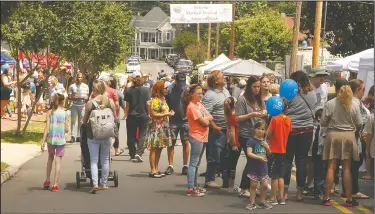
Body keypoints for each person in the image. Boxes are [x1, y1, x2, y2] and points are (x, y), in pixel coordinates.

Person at [321, 78, 362, 207]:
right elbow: (359, 123)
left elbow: (323, 122)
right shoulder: (354, 104)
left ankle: (326, 197)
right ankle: (349, 198)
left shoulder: (330, 103)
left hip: (333, 135)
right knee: (347, 169)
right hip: (348, 135)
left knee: (331, 167)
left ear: (336, 88)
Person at [283, 70, 317, 201]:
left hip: (292, 129)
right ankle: (299, 193)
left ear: (296, 82)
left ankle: (285, 191)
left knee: (287, 160)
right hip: (307, 129)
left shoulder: (289, 94)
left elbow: (284, 109)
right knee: (302, 161)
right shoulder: (312, 93)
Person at [235, 76, 267, 197]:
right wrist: (251, 115)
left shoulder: (260, 99)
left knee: (256, 160)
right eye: (254, 86)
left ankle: (251, 186)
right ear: (249, 87)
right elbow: (237, 117)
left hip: (258, 134)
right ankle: (244, 188)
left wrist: (263, 113)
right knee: (251, 160)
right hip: (246, 134)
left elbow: (264, 111)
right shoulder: (243, 99)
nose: (257, 89)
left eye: (259, 86)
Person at [82, 80, 116, 194]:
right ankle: (104, 183)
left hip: (93, 135)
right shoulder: (110, 102)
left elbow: (84, 120)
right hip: (106, 134)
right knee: (105, 159)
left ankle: (95, 183)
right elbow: (115, 118)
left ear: (94, 90)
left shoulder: (90, 104)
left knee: (94, 161)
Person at [202, 70, 231, 189]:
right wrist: (214, 126)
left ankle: (226, 180)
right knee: (214, 155)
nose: (224, 78)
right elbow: (206, 113)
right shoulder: (210, 95)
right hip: (217, 130)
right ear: (216, 81)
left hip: (228, 129)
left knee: (226, 155)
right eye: (221, 77)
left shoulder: (226, 91)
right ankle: (209, 179)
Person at [184, 84, 213, 196]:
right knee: (193, 163)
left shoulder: (199, 104)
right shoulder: (191, 106)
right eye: (198, 93)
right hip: (196, 136)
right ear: (192, 94)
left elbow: (210, 116)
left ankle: (195, 185)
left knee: (196, 163)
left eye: (202, 93)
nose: (201, 95)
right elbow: (205, 122)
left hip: (202, 136)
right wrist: (206, 119)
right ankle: (191, 188)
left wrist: (206, 118)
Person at [304, 68, 330, 195]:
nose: (322, 79)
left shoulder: (324, 87)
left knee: (318, 156)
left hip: (322, 125)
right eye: (320, 76)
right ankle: (308, 183)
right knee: (309, 156)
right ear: (313, 77)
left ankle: (314, 183)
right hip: (310, 124)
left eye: (324, 76)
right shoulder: (307, 88)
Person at [343, 79, 370, 199]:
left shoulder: (353, 101)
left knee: (352, 164)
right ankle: (352, 190)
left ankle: (349, 189)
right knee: (353, 164)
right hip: (356, 136)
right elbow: (361, 119)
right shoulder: (355, 102)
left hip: (355, 135)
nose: (364, 92)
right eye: (363, 89)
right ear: (358, 90)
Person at [145, 80, 174, 178]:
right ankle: (153, 170)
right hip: (156, 127)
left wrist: (168, 113)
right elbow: (153, 114)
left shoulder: (163, 99)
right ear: (160, 89)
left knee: (159, 148)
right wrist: (167, 113)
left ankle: (156, 169)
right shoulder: (155, 100)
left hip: (163, 127)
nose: (167, 90)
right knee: (154, 148)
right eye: (165, 88)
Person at [41, 91, 69, 192]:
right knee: (58, 162)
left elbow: (46, 128)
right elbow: (67, 129)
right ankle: (55, 184)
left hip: (51, 139)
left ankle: (47, 180)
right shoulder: (65, 113)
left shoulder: (50, 113)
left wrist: (43, 141)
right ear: (62, 102)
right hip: (61, 140)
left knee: (50, 159)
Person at [266, 97, 291, 205]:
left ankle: (273, 197)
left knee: (274, 176)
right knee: (281, 175)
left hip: (274, 150)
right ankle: (281, 197)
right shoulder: (288, 120)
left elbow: (269, 134)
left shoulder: (274, 119)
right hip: (283, 149)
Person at [165, 72, 190, 175]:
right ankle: (170, 165)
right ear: (175, 80)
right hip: (173, 120)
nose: (181, 84)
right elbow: (166, 103)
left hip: (185, 120)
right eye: (179, 82)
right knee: (171, 143)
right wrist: (168, 112)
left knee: (185, 142)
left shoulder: (187, 88)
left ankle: (185, 166)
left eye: (183, 82)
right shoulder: (170, 89)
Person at [245, 120, 272, 210]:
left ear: (265, 131)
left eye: (263, 129)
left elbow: (269, 154)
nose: (260, 131)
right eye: (258, 128)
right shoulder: (251, 141)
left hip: (263, 168)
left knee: (264, 186)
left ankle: (262, 201)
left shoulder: (266, 141)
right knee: (253, 186)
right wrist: (259, 158)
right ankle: (252, 202)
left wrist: (267, 148)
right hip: (254, 168)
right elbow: (249, 153)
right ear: (254, 129)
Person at [124, 71, 150, 162]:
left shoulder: (128, 90)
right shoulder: (146, 90)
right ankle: (139, 153)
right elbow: (147, 103)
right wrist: (149, 113)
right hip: (143, 115)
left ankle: (132, 153)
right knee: (142, 135)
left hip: (132, 115)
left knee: (131, 135)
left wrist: (126, 115)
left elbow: (127, 105)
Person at [224, 97, 241, 193]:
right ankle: (231, 185)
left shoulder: (229, 115)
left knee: (231, 163)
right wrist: (234, 144)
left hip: (231, 143)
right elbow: (232, 132)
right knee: (233, 164)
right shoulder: (234, 116)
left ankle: (230, 184)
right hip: (236, 142)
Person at [68, 72, 89, 143]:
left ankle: (79, 136)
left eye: (81, 77)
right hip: (74, 105)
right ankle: (72, 136)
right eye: (78, 77)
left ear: (82, 78)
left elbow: (87, 96)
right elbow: (69, 96)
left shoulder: (86, 86)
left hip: (82, 105)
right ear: (76, 77)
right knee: (73, 121)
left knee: (81, 121)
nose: (79, 79)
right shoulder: (72, 86)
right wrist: (74, 98)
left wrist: (86, 98)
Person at [109, 77, 126, 156]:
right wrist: (126, 113)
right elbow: (122, 105)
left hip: (105, 117)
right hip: (115, 117)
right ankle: (116, 150)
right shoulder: (118, 93)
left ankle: (108, 149)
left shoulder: (104, 92)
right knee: (115, 134)